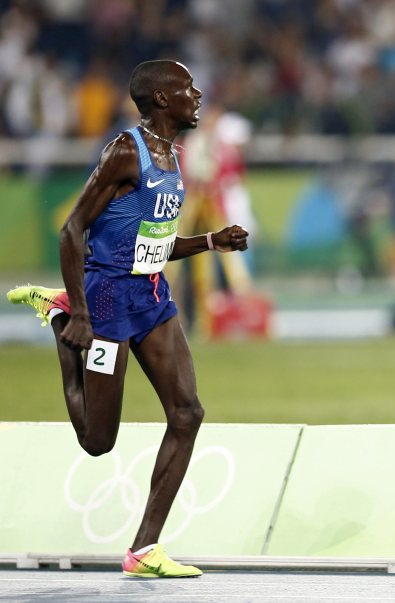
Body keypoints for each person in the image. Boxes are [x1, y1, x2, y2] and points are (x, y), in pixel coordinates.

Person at [6, 60, 248, 578]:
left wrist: (210, 241)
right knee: (97, 441)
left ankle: (143, 550)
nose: (199, 94)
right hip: (109, 303)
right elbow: (72, 231)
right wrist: (84, 314)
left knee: (188, 414)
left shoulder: (172, 154)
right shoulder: (124, 152)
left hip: (152, 297)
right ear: (162, 99)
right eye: (188, 87)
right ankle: (60, 318)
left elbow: (152, 245)